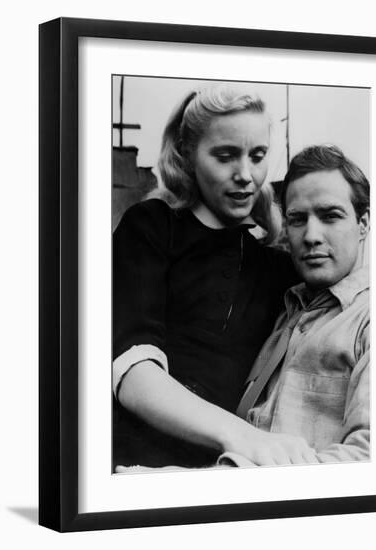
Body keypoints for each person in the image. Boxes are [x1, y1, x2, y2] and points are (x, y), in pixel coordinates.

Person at [113, 86, 300, 469]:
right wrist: (241, 435)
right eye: (225, 155)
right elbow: (131, 370)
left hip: (227, 468)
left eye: (258, 156)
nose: (246, 175)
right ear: (187, 153)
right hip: (133, 457)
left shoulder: (275, 262)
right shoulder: (150, 227)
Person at [221, 144, 370, 466]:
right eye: (298, 219)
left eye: (330, 216)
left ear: (363, 225)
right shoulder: (288, 310)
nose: (311, 235)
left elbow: (371, 460)